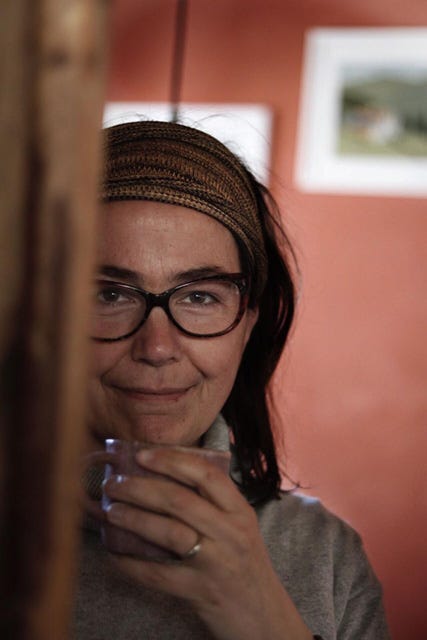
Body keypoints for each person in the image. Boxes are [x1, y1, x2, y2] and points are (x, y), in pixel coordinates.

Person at [74, 120, 390, 640]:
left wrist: (264, 615)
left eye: (200, 296)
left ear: (247, 324)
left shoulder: (326, 556)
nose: (157, 348)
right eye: (109, 295)